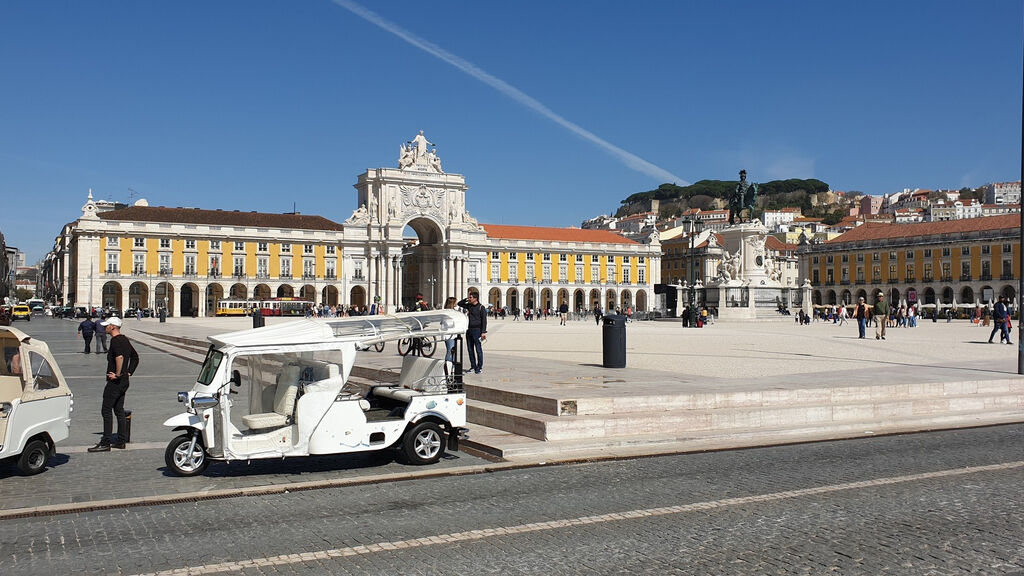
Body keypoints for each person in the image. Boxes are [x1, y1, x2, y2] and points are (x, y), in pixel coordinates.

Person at [89, 317, 139, 452]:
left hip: (115, 382)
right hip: (124, 381)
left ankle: (105, 442)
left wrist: (117, 374)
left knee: (106, 410)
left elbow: (120, 357)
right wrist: (128, 372)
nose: (104, 327)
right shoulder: (125, 339)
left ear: (113, 327)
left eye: (107, 326)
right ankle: (121, 441)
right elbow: (135, 357)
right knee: (119, 410)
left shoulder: (116, 341)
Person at [457, 291, 487, 374]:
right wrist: (466, 299)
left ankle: (479, 367)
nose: (469, 299)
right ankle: (473, 366)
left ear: (475, 298)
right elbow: (459, 303)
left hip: (477, 330)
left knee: (478, 350)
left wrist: (483, 332)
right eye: (469, 297)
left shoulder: (481, 307)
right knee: (470, 350)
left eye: (471, 297)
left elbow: (484, 320)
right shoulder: (469, 306)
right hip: (469, 330)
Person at [443, 297, 458, 363]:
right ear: (452, 303)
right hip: (449, 334)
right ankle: (447, 367)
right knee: (450, 350)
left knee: (452, 351)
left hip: (452, 334)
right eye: (455, 302)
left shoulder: (450, 311)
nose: (456, 303)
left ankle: (452, 366)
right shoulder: (448, 312)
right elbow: (447, 323)